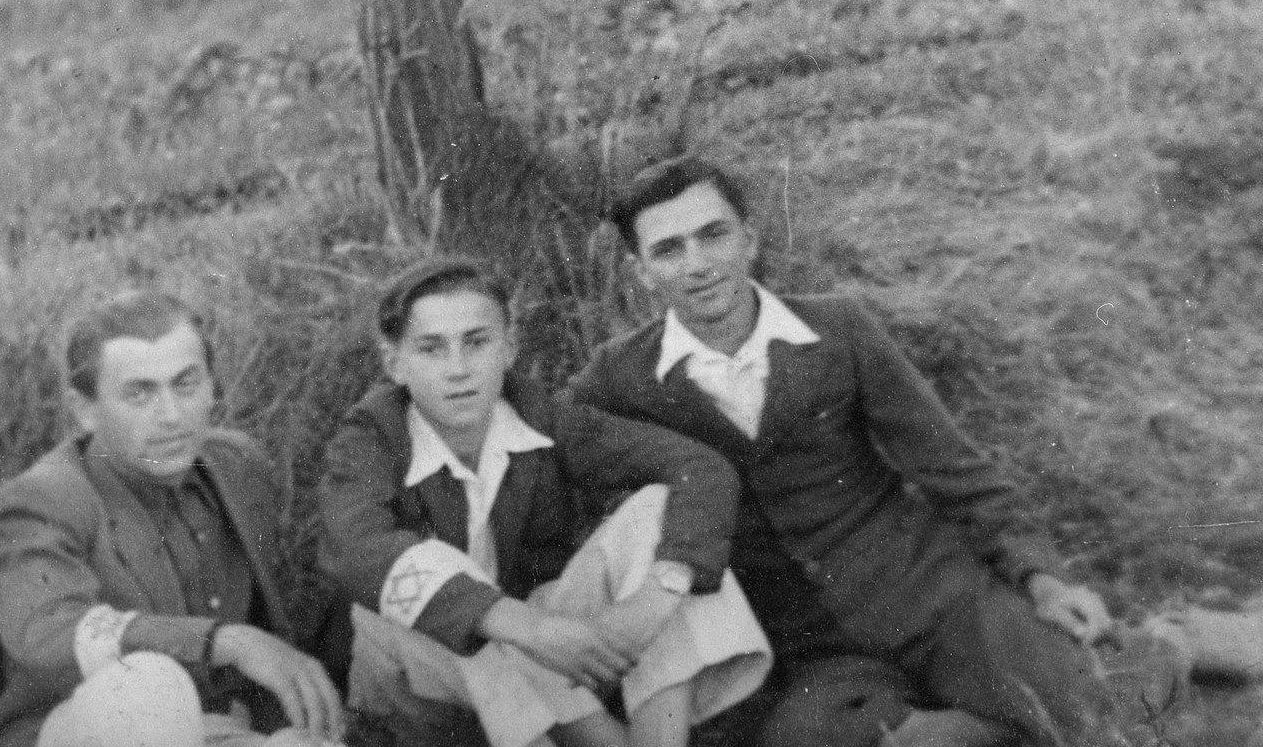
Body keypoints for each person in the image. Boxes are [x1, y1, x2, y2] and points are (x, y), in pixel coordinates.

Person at [571, 156, 1120, 747]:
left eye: (714, 235)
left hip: (929, 595)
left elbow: (954, 469)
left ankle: (1181, 641)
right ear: (641, 272)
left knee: (1088, 708)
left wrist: (1041, 577)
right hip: (812, 650)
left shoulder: (839, 329)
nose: (699, 265)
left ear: (749, 239)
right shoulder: (620, 377)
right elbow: (543, 426)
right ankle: (965, 728)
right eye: (669, 249)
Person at [319, 256, 772, 747]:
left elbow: (700, 468)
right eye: (431, 349)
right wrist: (529, 628)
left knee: (654, 514)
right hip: (420, 694)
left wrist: (655, 597)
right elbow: (356, 548)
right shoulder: (371, 437)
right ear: (394, 364)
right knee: (441, 579)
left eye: (477, 342)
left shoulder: (540, 417)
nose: (458, 370)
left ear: (509, 347)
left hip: (543, 667)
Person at [0, 290, 346, 747]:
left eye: (186, 384)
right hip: (88, 727)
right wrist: (223, 642)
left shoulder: (238, 464)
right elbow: (48, 631)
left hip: (222, 727)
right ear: (85, 410)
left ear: (212, 385)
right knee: (146, 685)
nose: (171, 416)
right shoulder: (42, 498)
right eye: (139, 393)